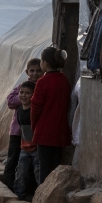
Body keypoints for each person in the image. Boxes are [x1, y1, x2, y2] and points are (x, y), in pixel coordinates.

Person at [30, 46, 72, 186]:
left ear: (45, 63)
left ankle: (42, 198)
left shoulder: (43, 82)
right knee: (56, 166)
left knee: (44, 168)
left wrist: (34, 126)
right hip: (60, 130)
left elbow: (35, 108)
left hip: (44, 131)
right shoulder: (64, 81)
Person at [4, 58, 43, 188]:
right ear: (27, 72)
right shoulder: (22, 86)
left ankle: (28, 191)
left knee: (33, 164)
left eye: (38, 71)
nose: (35, 74)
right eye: (32, 71)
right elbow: (10, 101)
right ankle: (9, 188)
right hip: (17, 131)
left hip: (34, 133)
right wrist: (28, 97)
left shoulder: (43, 86)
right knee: (12, 161)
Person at [12, 80, 41, 201]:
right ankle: (20, 195)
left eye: (28, 93)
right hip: (24, 148)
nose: (23, 95)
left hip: (36, 148)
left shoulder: (34, 111)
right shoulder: (19, 111)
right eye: (21, 92)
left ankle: (40, 196)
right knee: (21, 173)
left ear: (34, 95)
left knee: (38, 173)